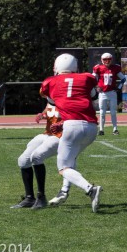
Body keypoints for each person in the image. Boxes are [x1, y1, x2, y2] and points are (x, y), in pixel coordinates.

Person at [40, 53, 102, 213]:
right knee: (71, 158)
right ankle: (64, 191)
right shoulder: (86, 77)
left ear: (57, 67)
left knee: (63, 167)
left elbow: (53, 103)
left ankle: (90, 189)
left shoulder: (50, 82)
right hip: (92, 127)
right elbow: (94, 95)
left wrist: (59, 122)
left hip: (72, 126)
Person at [11, 102, 65, 209]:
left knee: (36, 157)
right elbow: (48, 110)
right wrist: (42, 115)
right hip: (47, 134)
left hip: (61, 137)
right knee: (23, 161)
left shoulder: (68, 97)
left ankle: (41, 197)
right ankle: (29, 198)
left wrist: (62, 124)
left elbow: (76, 118)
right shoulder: (51, 98)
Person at [93, 52, 126, 136]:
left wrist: (118, 88)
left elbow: (123, 78)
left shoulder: (115, 68)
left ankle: (115, 129)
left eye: (109, 59)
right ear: (102, 60)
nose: (107, 61)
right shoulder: (98, 68)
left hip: (112, 92)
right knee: (102, 112)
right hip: (102, 93)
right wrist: (96, 86)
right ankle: (101, 129)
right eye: (105, 59)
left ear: (111, 60)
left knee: (113, 112)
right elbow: (92, 78)